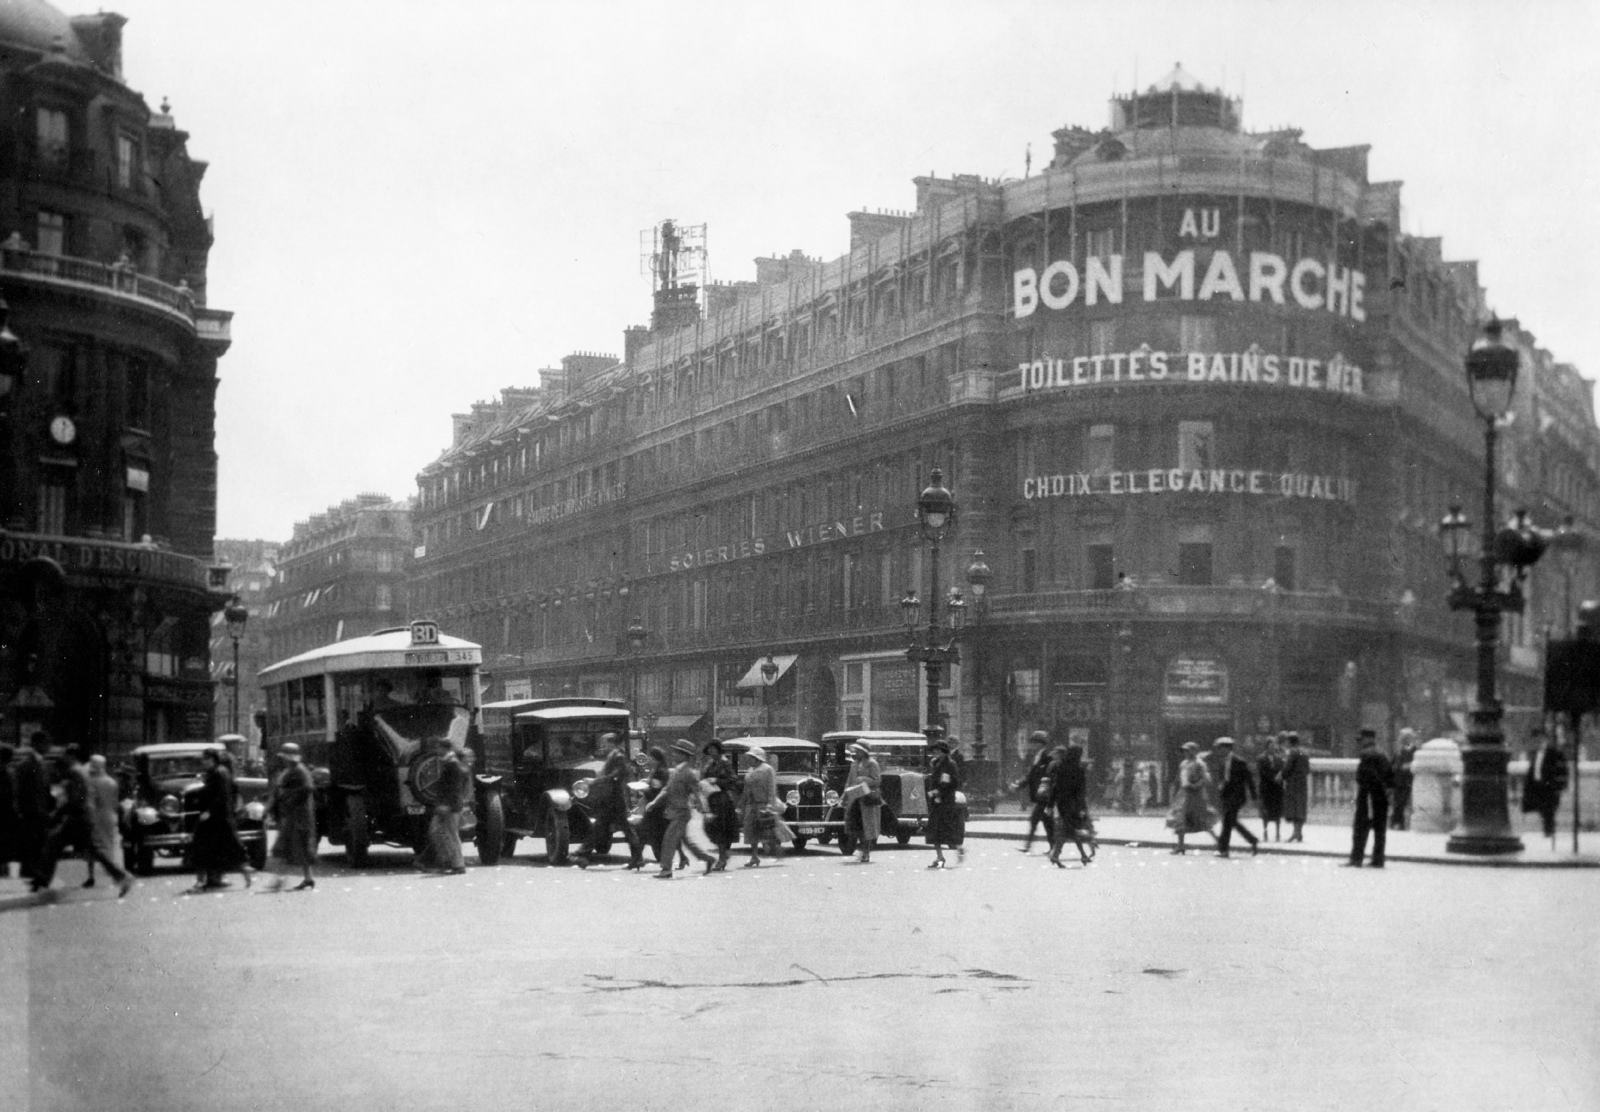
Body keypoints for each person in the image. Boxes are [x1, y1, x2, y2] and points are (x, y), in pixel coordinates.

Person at [32, 748, 133, 897]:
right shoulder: (83, 771)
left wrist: (57, 814)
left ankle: (42, 882)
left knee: (54, 843)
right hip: (84, 816)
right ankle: (121, 876)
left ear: (72, 756)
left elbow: (75, 799)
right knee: (92, 850)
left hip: (78, 818)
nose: (64, 757)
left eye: (66, 754)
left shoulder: (75, 772)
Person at [573, 733, 644, 870]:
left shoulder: (618, 756)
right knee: (607, 827)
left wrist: (595, 782)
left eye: (605, 742)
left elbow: (615, 776)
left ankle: (581, 854)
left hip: (614, 798)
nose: (602, 745)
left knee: (607, 827)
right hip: (610, 798)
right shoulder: (614, 755)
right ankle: (637, 858)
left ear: (612, 742)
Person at [645, 739, 715, 879]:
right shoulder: (676, 771)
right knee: (686, 842)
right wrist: (655, 802)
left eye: (677, 752)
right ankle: (708, 859)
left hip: (682, 812)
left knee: (669, 840)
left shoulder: (689, 773)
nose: (674, 755)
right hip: (674, 811)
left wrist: (706, 811)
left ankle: (666, 870)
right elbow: (666, 789)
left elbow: (698, 793)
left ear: (684, 755)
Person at [189, 747, 252, 892]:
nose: (204, 762)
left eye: (207, 759)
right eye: (203, 759)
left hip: (218, 817)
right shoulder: (217, 772)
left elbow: (221, 795)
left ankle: (202, 880)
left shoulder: (219, 772)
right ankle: (214, 878)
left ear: (214, 760)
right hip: (220, 817)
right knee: (221, 849)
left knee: (202, 846)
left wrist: (209, 811)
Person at [265, 742, 317, 891]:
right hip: (293, 815)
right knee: (295, 848)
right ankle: (308, 878)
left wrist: (289, 798)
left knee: (288, 848)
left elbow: (308, 788)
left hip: (299, 816)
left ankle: (279, 880)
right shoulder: (290, 771)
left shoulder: (300, 771)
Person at [418, 746, 469, 875]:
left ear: (443, 748)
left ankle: (457, 864)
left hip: (449, 806)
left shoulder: (452, 764)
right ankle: (449, 861)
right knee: (440, 832)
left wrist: (446, 804)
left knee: (449, 834)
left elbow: (453, 787)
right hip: (449, 805)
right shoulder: (451, 763)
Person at [1346, 728, 1393, 868]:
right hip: (1381, 796)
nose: (1360, 743)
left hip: (1368, 796)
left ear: (1368, 739)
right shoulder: (1383, 753)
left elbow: (1365, 777)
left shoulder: (1366, 754)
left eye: (1362, 740)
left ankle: (1356, 858)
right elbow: (1390, 777)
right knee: (1380, 830)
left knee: (1360, 828)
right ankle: (1378, 859)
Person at [1165, 742, 1218, 855]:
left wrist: (1196, 785)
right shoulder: (1183, 763)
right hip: (1183, 794)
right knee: (1180, 819)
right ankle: (1180, 846)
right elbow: (1179, 778)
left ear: (1194, 751)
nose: (1185, 753)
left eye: (1188, 750)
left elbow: (1206, 779)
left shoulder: (1199, 764)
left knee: (1202, 820)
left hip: (1195, 795)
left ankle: (1220, 843)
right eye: (1184, 751)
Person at [1047, 744, 1095, 867]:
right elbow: (1080, 791)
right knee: (1072, 829)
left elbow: (1055, 788)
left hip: (1062, 803)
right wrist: (1083, 807)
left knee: (1069, 829)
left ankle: (1062, 855)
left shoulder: (1061, 767)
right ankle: (1061, 855)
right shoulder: (1079, 770)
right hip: (1073, 804)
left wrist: (1050, 805)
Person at [1212, 737, 1260, 858]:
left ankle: (1223, 849)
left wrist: (1254, 796)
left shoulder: (1239, 761)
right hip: (1226, 795)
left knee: (1227, 821)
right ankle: (1252, 840)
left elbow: (1249, 779)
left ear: (1227, 748)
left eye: (1220, 748)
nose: (1219, 751)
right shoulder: (1221, 761)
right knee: (1230, 821)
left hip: (1237, 796)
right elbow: (1223, 778)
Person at [1521, 727, 1570, 843]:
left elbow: (1563, 770)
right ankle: (1548, 831)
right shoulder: (1536, 754)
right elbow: (1534, 770)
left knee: (1548, 810)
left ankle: (1549, 833)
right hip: (1538, 786)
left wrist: (1560, 786)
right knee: (1543, 810)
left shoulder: (1554, 753)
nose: (1537, 741)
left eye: (1539, 739)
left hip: (1549, 787)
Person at [13, 736, 52, 882]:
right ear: (37, 744)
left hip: (40, 812)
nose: (48, 747)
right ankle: (29, 872)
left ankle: (34, 872)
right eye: (46, 743)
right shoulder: (27, 764)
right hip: (30, 812)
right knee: (31, 843)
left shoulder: (42, 763)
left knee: (38, 843)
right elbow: (20, 790)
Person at [924, 730, 964, 869]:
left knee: (948, 829)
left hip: (946, 802)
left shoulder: (950, 764)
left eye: (938, 751)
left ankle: (959, 849)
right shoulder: (936, 764)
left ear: (944, 752)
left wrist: (939, 791)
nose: (936, 754)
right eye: (935, 751)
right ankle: (940, 857)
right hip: (936, 802)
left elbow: (954, 782)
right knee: (934, 831)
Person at [700, 740, 741, 871]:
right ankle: (723, 855)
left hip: (721, 799)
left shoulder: (725, 763)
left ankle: (722, 858)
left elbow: (733, 780)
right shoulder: (709, 764)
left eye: (713, 749)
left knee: (720, 829)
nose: (711, 751)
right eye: (709, 749)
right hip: (710, 798)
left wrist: (717, 780)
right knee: (710, 828)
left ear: (718, 749)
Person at [82, 755, 123, 888]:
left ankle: (91, 876)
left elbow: (90, 801)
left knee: (93, 845)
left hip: (95, 816)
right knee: (108, 844)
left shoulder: (89, 782)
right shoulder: (112, 782)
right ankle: (113, 874)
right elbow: (115, 802)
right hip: (109, 816)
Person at [1011, 732, 1056, 853]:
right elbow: (1031, 776)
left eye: (1034, 743)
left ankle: (1028, 846)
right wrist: (1019, 785)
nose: (1032, 745)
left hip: (1045, 795)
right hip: (1040, 795)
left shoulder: (1047, 757)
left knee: (1035, 820)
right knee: (1047, 823)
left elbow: (1050, 776)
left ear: (1040, 744)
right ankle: (1053, 847)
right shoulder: (1037, 757)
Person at [738, 745, 779, 867]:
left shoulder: (767, 769)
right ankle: (754, 856)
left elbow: (772, 788)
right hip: (751, 804)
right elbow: (746, 790)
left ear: (758, 758)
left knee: (767, 830)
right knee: (750, 830)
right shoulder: (750, 771)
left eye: (751, 757)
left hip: (763, 804)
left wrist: (770, 805)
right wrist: (741, 805)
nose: (749, 760)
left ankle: (774, 850)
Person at [842, 741, 882, 864]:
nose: (856, 753)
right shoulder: (853, 764)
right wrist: (844, 795)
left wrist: (863, 779)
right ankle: (861, 849)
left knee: (868, 827)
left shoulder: (872, 764)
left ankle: (866, 852)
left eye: (859, 751)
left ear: (864, 752)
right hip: (855, 798)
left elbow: (877, 781)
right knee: (855, 825)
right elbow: (849, 781)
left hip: (867, 798)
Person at [634, 747, 671, 866]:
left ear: (656, 759)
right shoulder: (657, 770)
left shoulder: (660, 772)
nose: (648, 759)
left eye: (651, 757)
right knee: (650, 834)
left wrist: (644, 789)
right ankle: (638, 860)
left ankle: (637, 860)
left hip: (656, 808)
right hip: (656, 808)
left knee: (643, 833)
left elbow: (656, 790)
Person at [1281, 731, 1311, 842]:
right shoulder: (1305, 752)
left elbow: (1287, 768)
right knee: (1301, 808)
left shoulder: (1292, 752)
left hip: (1293, 784)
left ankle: (1295, 833)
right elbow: (1307, 770)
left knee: (1293, 808)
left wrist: (1282, 776)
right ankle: (1299, 833)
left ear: (1290, 741)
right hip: (1302, 783)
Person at [1257, 735, 1285, 841]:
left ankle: (1277, 833)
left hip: (1277, 789)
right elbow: (1262, 772)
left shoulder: (1279, 759)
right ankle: (1265, 833)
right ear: (1267, 746)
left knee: (1277, 812)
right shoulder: (1261, 758)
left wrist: (1279, 779)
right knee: (1265, 812)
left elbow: (1282, 771)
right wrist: (1273, 778)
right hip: (1266, 788)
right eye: (1270, 745)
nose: (1273, 747)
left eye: (1274, 745)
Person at [1390, 728, 1418, 831]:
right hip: (1398, 780)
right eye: (1404, 737)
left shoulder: (1415, 750)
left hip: (1408, 780)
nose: (1405, 739)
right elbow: (1392, 764)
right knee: (1398, 802)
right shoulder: (1398, 750)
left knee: (1402, 802)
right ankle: (1397, 823)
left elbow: (1416, 763)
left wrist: (1408, 765)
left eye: (1407, 737)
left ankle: (1398, 823)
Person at [0, 743, 18, 878]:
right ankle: (4, 871)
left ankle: (4, 871)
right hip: (7, 814)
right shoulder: (9, 772)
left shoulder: (8, 772)